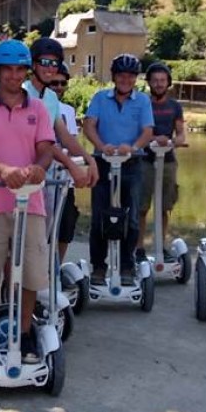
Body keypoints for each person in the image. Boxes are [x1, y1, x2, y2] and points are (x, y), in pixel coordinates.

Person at [0, 40, 57, 365]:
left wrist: (38, 168)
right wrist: (3, 170)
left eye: (20, 69)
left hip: (30, 203)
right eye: (8, 69)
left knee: (31, 274)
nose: (14, 76)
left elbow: (46, 148)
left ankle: (26, 330)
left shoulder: (38, 109)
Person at [82, 54, 154, 287]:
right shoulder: (100, 98)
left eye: (130, 76)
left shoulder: (142, 101)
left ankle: (126, 266)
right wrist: (103, 147)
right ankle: (99, 268)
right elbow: (89, 125)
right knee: (100, 218)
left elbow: (147, 131)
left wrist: (132, 148)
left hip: (131, 164)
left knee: (131, 218)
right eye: (121, 75)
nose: (126, 80)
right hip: (102, 163)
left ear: (135, 78)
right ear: (114, 76)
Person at [25, 36, 98, 197]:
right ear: (33, 64)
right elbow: (41, 142)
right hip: (23, 172)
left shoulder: (51, 97)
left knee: (49, 221)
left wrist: (89, 159)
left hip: (45, 171)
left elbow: (64, 136)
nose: (50, 68)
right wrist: (71, 165)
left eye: (55, 64)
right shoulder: (23, 94)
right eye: (45, 62)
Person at [137, 61, 187, 260]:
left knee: (164, 207)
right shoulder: (142, 103)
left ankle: (160, 245)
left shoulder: (175, 106)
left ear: (168, 83)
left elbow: (182, 133)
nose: (158, 84)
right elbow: (136, 133)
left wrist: (175, 141)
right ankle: (139, 248)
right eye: (155, 80)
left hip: (167, 161)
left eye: (162, 80)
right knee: (141, 207)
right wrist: (153, 139)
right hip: (145, 161)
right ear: (149, 82)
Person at [47, 62, 81, 265]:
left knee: (67, 223)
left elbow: (71, 142)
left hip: (64, 178)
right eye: (54, 83)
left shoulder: (68, 110)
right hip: (45, 175)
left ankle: (56, 267)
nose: (58, 87)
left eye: (62, 83)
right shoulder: (38, 103)